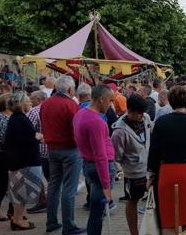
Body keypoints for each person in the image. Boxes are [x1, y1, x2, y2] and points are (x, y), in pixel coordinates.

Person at [147, 86, 186, 233]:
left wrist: (151, 173)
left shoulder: (161, 122)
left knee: (167, 217)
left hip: (166, 171)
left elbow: (154, 150)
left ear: (170, 101)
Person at [40, 75, 85, 235]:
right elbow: (76, 130)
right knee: (69, 188)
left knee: (54, 185)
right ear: (69, 89)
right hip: (70, 149)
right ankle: (69, 225)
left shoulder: (45, 104)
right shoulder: (70, 104)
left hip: (52, 149)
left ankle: (51, 222)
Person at [73, 85, 116, 235]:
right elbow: (100, 155)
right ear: (101, 99)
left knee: (96, 209)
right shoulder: (95, 122)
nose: (111, 105)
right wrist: (106, 184)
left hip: (89, 164)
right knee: (98, 212)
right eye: (110, 101)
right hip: (98, 167)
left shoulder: (80, 114)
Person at [111, 94, 152, 235]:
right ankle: (134, 232)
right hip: (133, 172)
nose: (141, 115)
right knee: (133, 200)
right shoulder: (119, 132)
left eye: (142, 112)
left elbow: (150, 131)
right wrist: (127, 166)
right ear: (129, 111)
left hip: (149, 168)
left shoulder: (145, 118)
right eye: (138, 113)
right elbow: (116, 156)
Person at [5, 92, 44, 231]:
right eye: (28, 101)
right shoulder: (19, 119)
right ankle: (17, 220)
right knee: (21, 193)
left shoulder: (17, 118)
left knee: (20, 193)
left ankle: (18, 218)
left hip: (21, 162)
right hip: (23, 163)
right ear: (21, 104)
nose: (30, 103)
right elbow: (25, 141)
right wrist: (37, 137)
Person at [27, 90, 49, 213]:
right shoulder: (52, 108)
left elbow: (27, 129)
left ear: (39, 100)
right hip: (53, 148)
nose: (30, 102)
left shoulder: (34, 111)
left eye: (32, 99)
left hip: (40, 149)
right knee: (52, 178)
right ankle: (50, 200)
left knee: (40, 177)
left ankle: (43, 200)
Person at [0, 93, 12, 222]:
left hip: (5, 154)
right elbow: (4, 138)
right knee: (2, 183)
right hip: (2, 154)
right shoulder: (2, 118)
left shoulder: (8, 117)